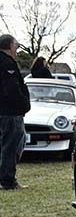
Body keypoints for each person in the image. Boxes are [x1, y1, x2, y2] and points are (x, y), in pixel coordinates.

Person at [0, 34, 31, 190]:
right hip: (11, 112)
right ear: (9, 46)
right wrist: (24, 104)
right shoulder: (7, 64)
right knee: (12, 146)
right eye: (16, 46)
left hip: (4, 111)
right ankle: (7, 180)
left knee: (6, 145)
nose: (17, 50)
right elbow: (12, 89)